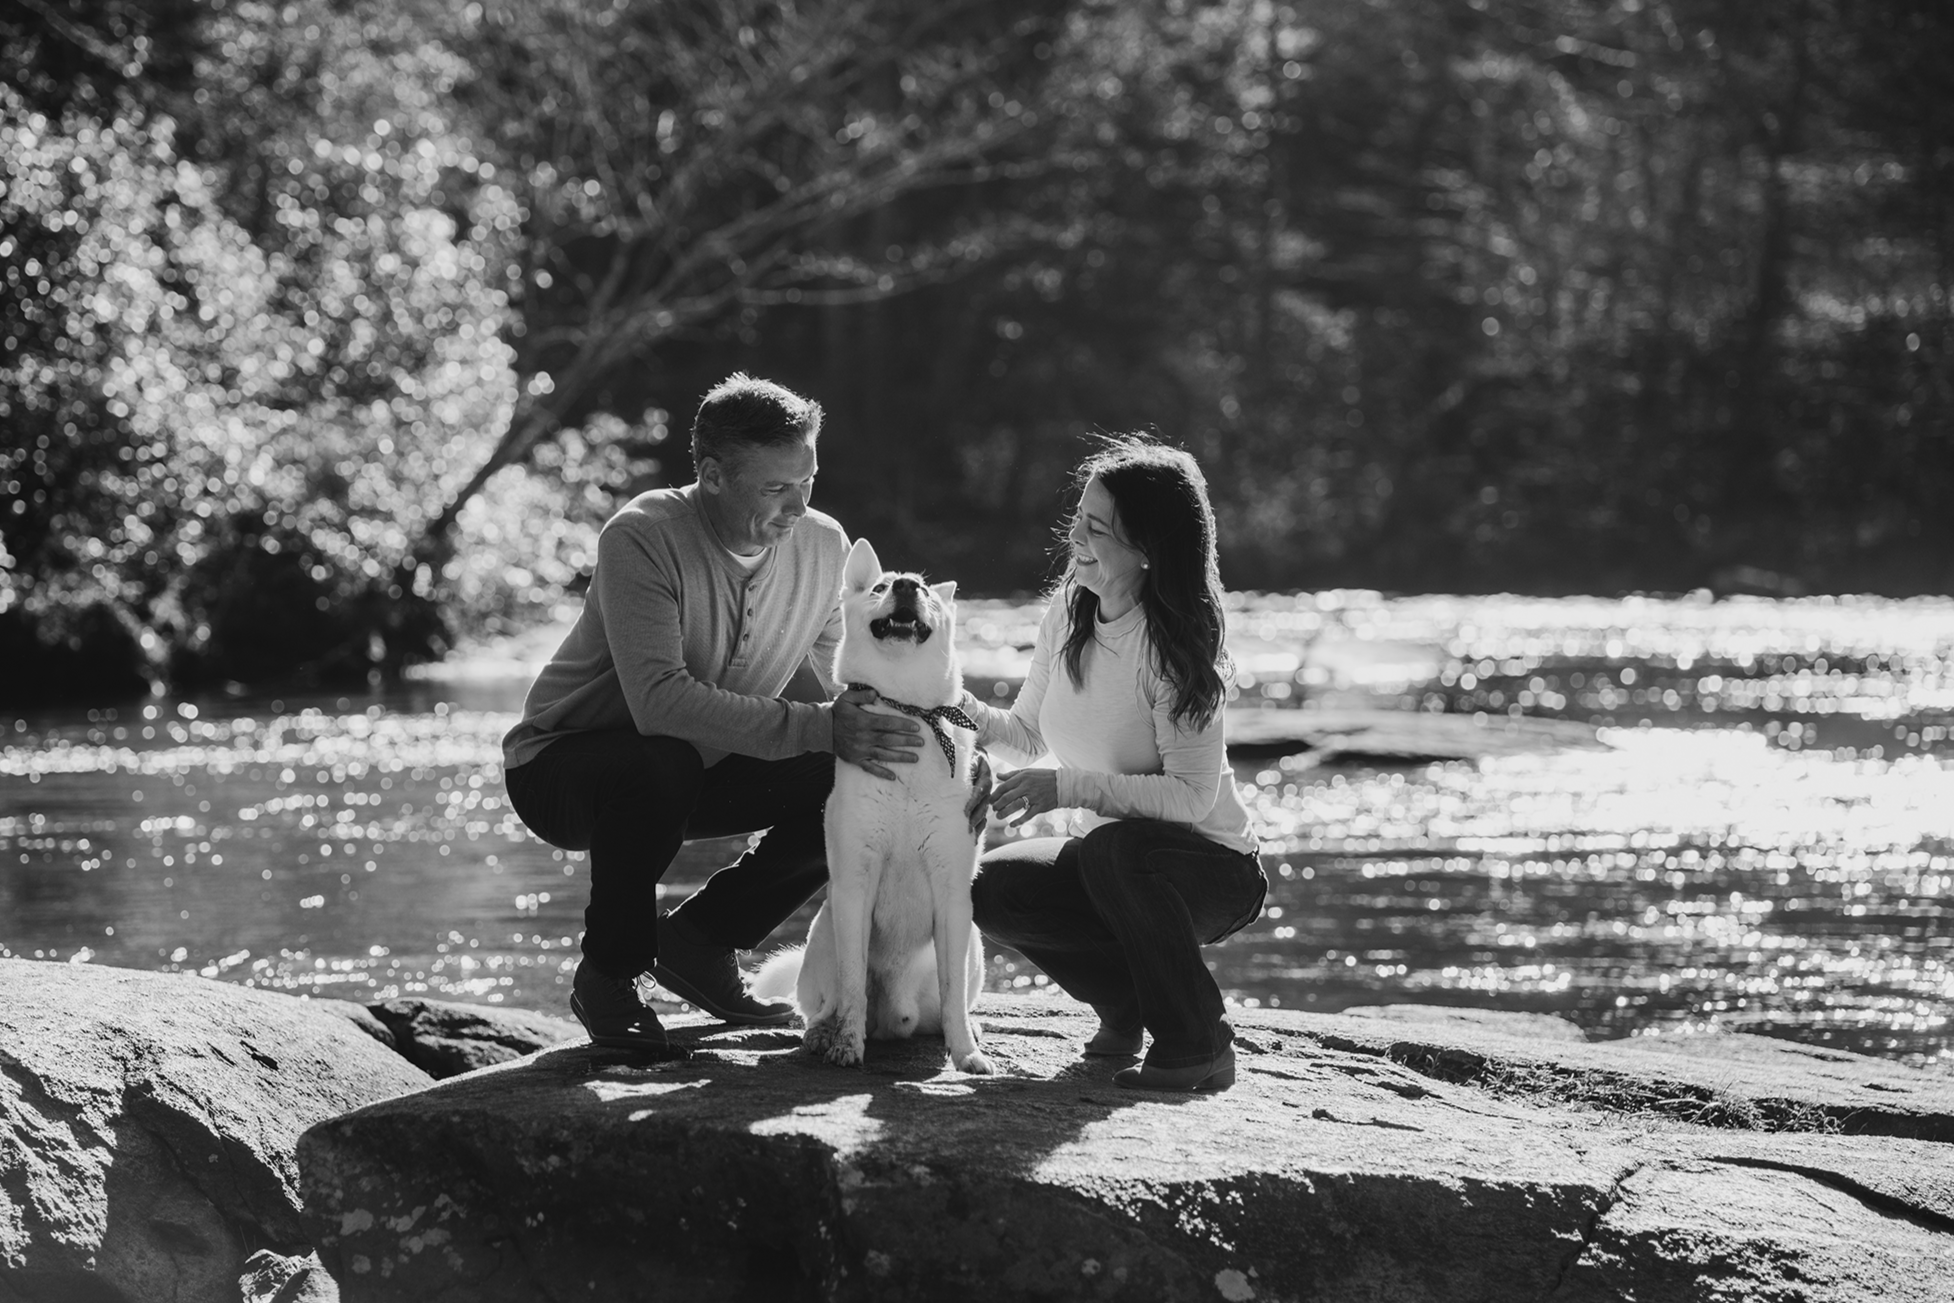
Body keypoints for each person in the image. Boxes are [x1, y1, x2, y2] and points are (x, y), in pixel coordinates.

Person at [502, 374, 923, 1051]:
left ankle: (701, 940)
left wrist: (916, 731)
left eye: (807, 482)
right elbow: (660, 703)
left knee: (861, 769)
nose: (796, 507)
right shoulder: (642, 535)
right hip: (564, 769)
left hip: (698, 773)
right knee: (660, 759)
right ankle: (610, 972)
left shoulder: (823, 544)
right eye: (774, 488)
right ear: (713, 476)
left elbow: (839, 687)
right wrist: (820, 725)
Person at [962, 436, 1265, 1091]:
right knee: (985, 888)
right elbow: (1021, 735)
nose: (1076, 536)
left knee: (1115, 850)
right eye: (1079, 517)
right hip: (1115, 868)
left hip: (1210, 871)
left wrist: (1066, 788)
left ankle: (1196, 1041)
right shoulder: (1069, 610)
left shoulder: (1179, 650)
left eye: (1097, 528)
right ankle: (1125, 1006)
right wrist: (946, 705)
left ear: (1147, 551)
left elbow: (1188, 798)